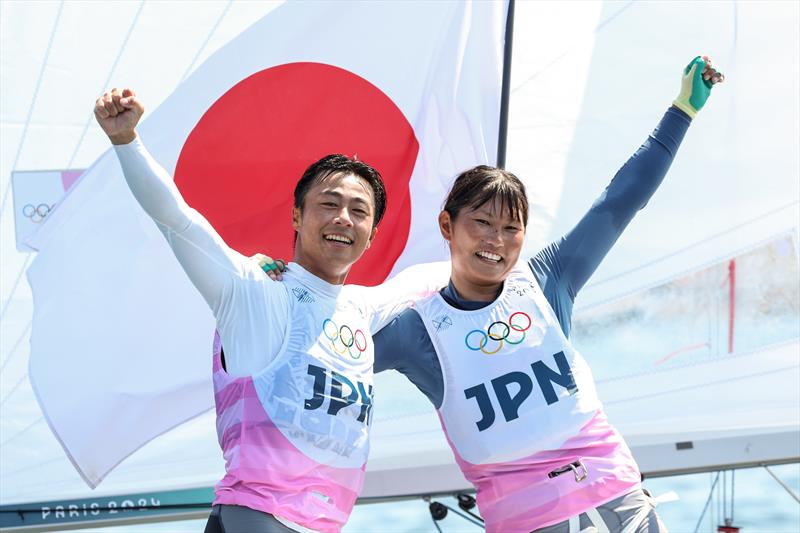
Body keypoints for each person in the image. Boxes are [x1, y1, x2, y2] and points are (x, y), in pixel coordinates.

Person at [371, 55, 724, 532]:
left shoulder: (548, 280)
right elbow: (320, 353)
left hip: (618, 501)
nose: (496, 240)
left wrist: (682, 109)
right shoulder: (414, 330)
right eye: (482, 223)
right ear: (447, 226)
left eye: (511, 228)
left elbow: (622, 198)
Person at [93, 89, 446, 533]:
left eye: (359, 211)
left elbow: (422, 281)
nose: (343, 218)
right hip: (256, 518)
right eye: (329, 204)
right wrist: (127, 142)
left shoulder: (363, 307)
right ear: (297, 217)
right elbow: (177, 220)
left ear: (371, 235)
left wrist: (495, 247)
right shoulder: (254, 291)